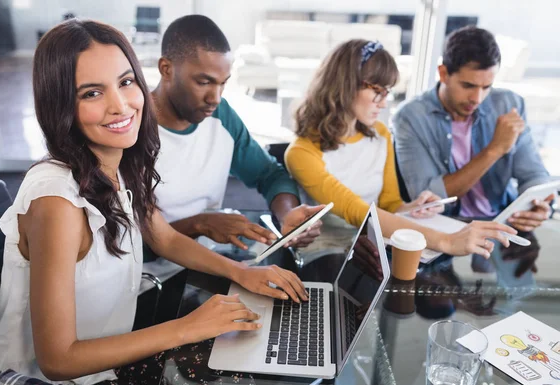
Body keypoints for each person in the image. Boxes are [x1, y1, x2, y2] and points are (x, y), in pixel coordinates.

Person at [0, 19, 307, 385]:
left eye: (125, 82)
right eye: (91, 93)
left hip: (106, 365)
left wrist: (243, 272)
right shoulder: (57, 202)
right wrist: (188, 327)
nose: (121, 105)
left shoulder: (119, 164)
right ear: (59, 104)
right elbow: (57, 359)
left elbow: (162, 236)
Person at [285, 39, 517, 259]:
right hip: (326, 254)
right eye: (378, 91)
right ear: (345, 86)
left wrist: (414, 207)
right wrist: (446, 241)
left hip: (372, 248)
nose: (384, 103)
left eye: (388, 93)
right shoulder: (301, 153)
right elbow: (357, 211)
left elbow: (389, 204)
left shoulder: (380, 135)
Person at [149, 15, 322, 253]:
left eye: (223, 83)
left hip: (204, 268)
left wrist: (288, 215)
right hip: (145, 278)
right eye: (203, 82)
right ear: (166, 69)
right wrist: (199, 225)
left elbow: (270, 175)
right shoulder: (130, 129)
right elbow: (122, 239)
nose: (215, 98)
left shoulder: (221, 117)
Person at [393, 26, 552, 232]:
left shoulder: (508, 104)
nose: (477, 99)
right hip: (449, 229)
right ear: (443, 74)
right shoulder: (411, 117)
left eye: (486, 87)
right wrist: (494, 150)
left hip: (503, 222)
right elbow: (428, 198)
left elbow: (534, 174)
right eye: (468, 86)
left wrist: (539, 205)